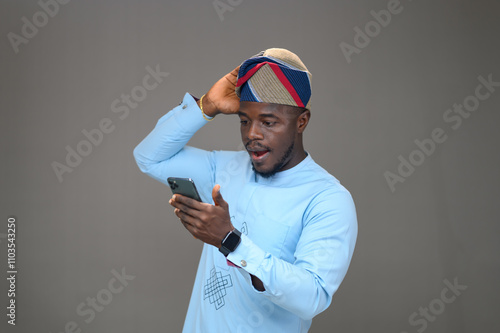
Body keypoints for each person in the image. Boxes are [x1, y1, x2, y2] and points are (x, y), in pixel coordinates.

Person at [133, 48, 357, 332]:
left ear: (301, 121)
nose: (252, 134)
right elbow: (149, 157)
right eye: (244, 120)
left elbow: (312, 297)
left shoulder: (328, 199)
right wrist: (206, 106)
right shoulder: (225, 169)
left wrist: (230, 240)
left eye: (268, 122)